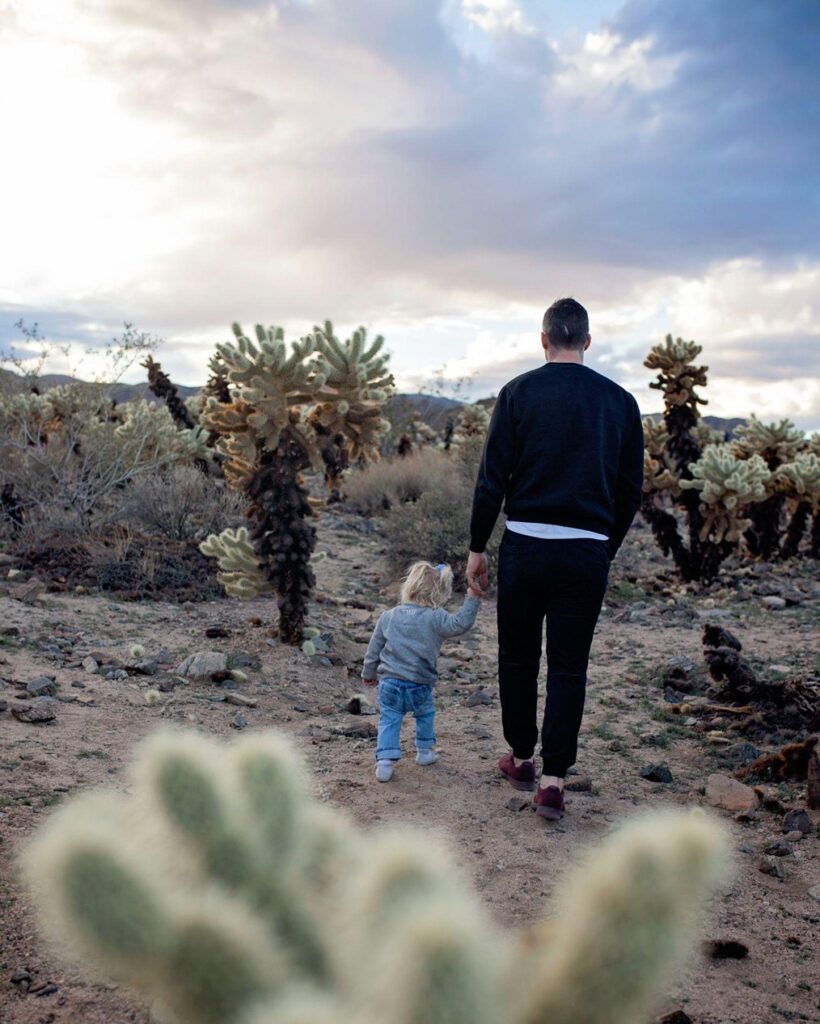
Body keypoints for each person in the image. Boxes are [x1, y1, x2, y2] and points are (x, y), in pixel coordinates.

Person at [466, 297, 644, 820]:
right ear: (586, 341)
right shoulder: (621, 402)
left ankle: (521, 758)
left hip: (524, 544)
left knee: (518, 657)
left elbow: (491, 479)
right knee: (569, 666)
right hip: (585, 552)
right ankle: (552, 781)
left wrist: (477, 547)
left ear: (544, 340)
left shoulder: (518, 393)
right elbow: (630, 490)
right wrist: (601, 547)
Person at [362, 562, 482, 782]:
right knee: (425, 715)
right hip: (420, 684)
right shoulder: (436, 617)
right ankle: (424, 752)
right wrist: (472, 597)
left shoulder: (389, 616)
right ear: (440, 592)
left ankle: (385, 763)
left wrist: (368, 674)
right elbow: (461, 624)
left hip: (390, 683)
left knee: (389, 719)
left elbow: (373, 649)